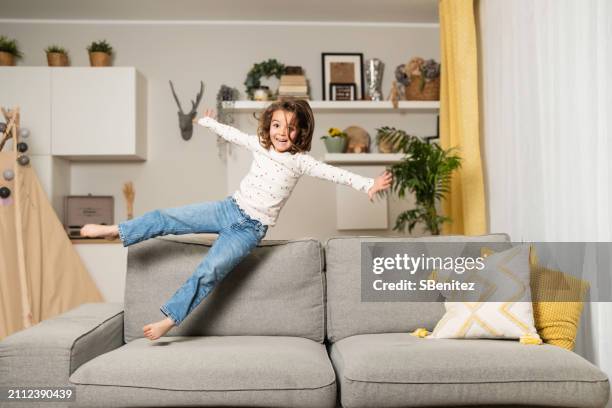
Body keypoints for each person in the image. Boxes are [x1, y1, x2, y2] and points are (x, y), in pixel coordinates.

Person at [80, 99, 393, 340]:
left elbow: (333, 173)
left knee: (210, 270)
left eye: (291, 128)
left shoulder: (301, 162)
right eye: (276, 126)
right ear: (268, 128)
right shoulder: (260, 145)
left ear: (301, 132)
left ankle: (169, 321)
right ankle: (116, 230)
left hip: (248, 230)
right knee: (166, 217)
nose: (283, 133)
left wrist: (367, 184)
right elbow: (234, 135)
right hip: (228, 209)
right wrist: (209, 123)